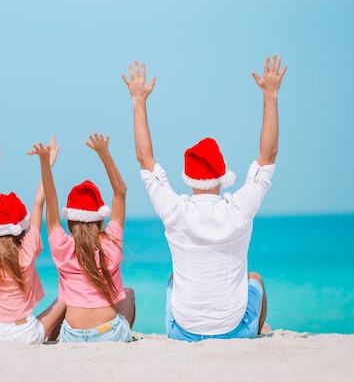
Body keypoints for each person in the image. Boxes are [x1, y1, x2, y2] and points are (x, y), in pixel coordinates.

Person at [121, 55, 287, 342]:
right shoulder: (239, 209)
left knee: (174, 281)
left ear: (188, 177)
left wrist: (138, 101)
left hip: (182, 331)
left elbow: (144, 159)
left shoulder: (175, 210)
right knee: (255, 280)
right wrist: (270, 96)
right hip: (235, 329)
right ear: (223, 176)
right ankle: (257, 330)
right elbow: (268, 157)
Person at [29, 133, 136, 343]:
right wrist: (104, 154)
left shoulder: (62, 246)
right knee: (129, 294)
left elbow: (50, 199)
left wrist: (45, 162)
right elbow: (120, 192)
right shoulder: (111, 242)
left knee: (66, 301)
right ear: (100, 219)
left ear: (70, 221)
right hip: (110, 333)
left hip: (72, 336)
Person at [0, 135, 66, 344]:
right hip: (25, 334)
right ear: (20, 227)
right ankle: (53, 335)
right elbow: (38, 203)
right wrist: (47, 163)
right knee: (64, 298)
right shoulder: (28, 248)